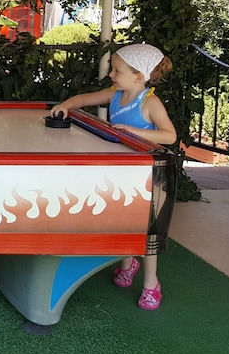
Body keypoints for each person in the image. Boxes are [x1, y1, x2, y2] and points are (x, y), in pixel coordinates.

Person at [50, 43, 177, 310]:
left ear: (138, 77)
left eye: (117, 71)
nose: (111, 75)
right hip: (122, 171)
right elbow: (83, 99)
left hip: (146, 174)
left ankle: (151, 283)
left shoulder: (150, 102)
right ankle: (127, 264)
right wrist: (65, 105)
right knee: (123, 220)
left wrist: (135, 132)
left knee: (146, 230)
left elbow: (169, 135)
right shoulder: (114, 94)